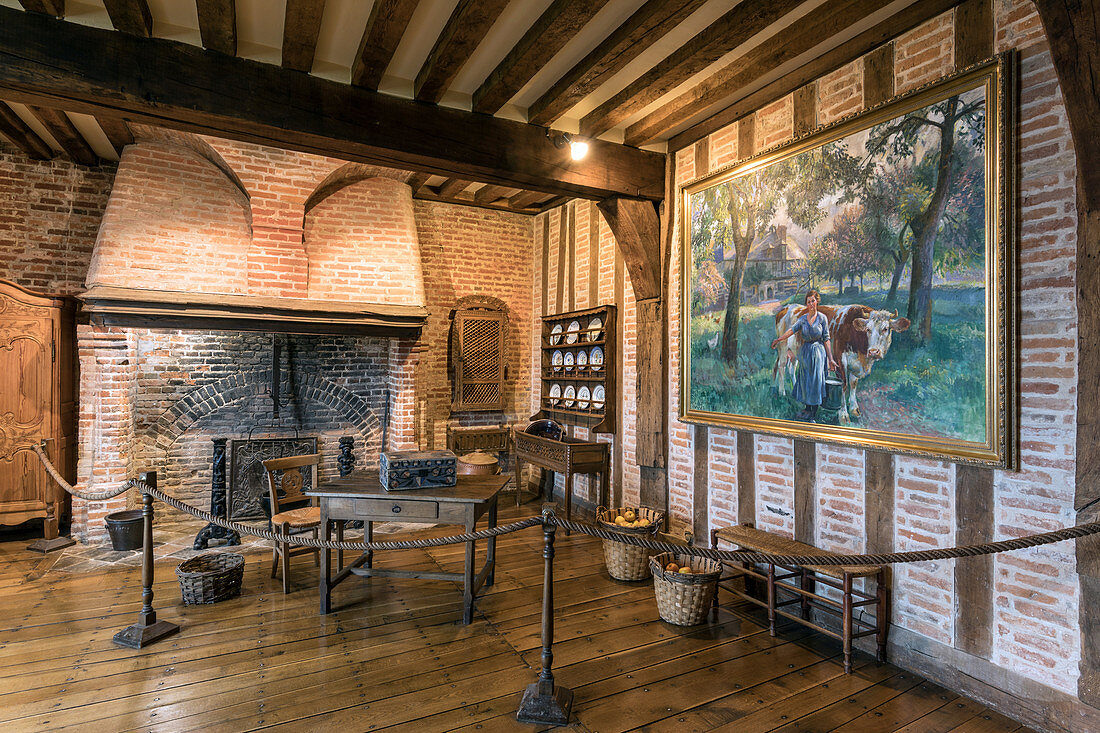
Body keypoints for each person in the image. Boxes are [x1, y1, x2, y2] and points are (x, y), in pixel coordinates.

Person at [771, 289, 838, 422]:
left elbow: (826, 339)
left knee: (816, 381)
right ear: (806, 304)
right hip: (806, 352)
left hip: (818, 353)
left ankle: (813, 412)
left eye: (813, 301)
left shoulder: (822, 318)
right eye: (808, 302)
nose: (811, 304)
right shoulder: (802, 319)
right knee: (806, 381)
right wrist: (779, 339)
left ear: (817, 301)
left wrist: (830, 359)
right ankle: (807, 408)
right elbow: (791, 330)